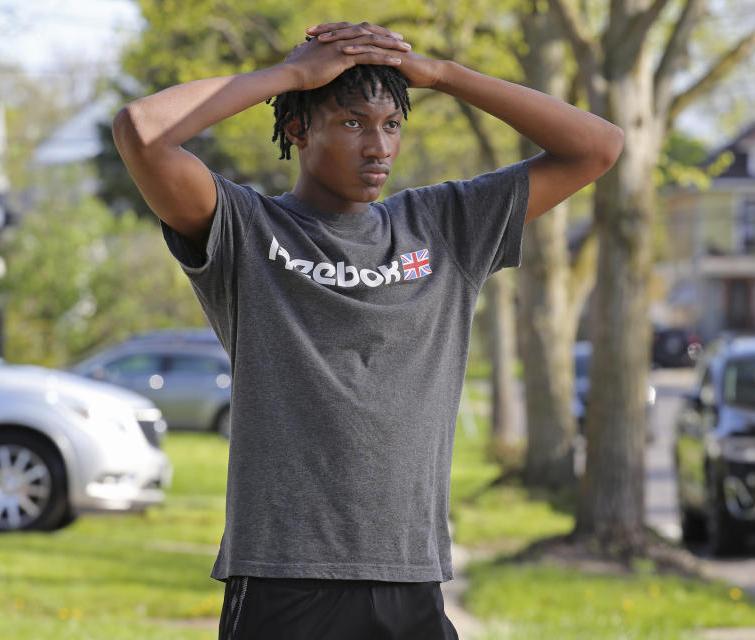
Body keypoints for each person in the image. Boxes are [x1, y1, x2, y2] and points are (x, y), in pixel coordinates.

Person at [113, 20, 623, 640]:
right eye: (353, 123)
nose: (378, 147)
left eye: (391, 125)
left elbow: (597, 146)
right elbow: (142, 132)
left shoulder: (445, 227)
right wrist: (293, 76)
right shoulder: (246, 231)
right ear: (298, 129)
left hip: (411, 578)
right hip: (284, 578)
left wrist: (441, 75)